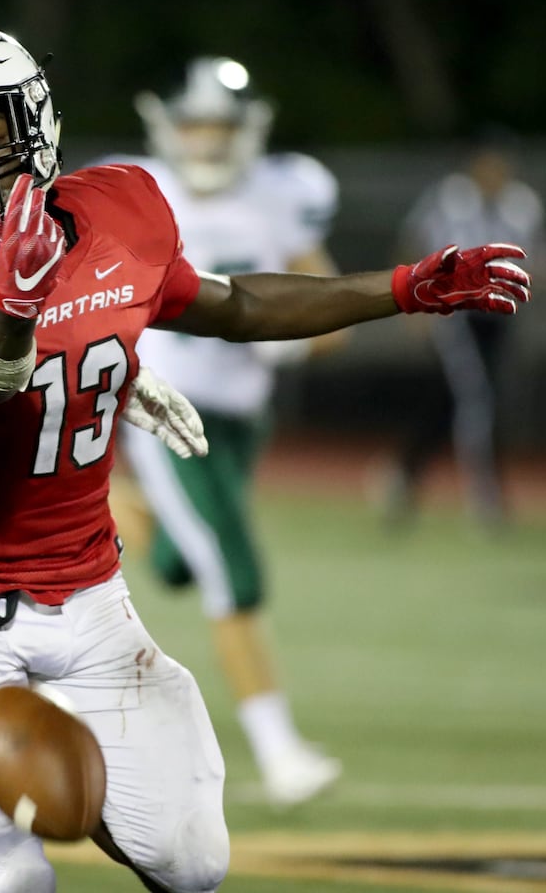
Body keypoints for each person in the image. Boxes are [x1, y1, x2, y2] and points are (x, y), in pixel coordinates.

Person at [0, 20, 531, 893]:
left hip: (88, 587)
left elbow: (233, 305)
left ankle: (15, 708)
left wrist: (399, 288)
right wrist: (11, 308)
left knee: (191, 864)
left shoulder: (117, 210)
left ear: (36, 119)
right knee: (11, 873)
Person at [92, 55, 349, 809]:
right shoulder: (136, 190)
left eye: (219, 127)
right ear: (167, 126)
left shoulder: (282, 193)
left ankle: (98, 504)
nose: (205, 141)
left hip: (244, 417)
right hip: (166, 410)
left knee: (178, 565)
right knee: (231, 575)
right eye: (193, 124)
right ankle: (279, 755)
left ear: (246, 131)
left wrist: (287, 335)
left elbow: (323, 298)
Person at [377, 128, 546, 528]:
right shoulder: (449, 198)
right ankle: (486, 496)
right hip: (453, 312)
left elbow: (542, 254)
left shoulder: (521, 204)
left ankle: (403, 475)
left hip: (496, 315)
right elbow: (413, 245)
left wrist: (541, 272)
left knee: (455, 402)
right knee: (476, 399)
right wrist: (410, 306)